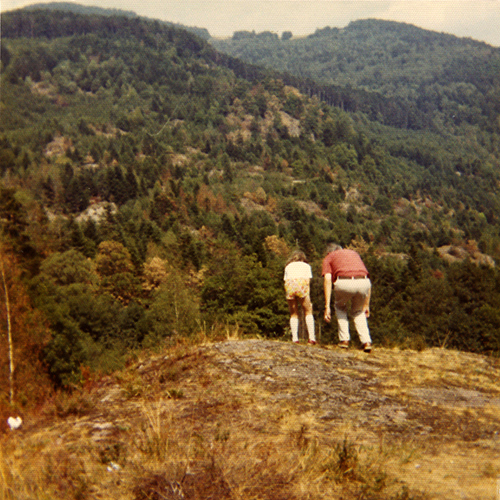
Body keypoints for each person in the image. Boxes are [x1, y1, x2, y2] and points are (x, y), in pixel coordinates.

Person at [322, 243, 372, 352]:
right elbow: (367, 277)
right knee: (359, 311)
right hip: (364, 282)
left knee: (339, 306)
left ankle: (344, 340)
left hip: (344, 282)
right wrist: (366, 304)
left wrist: (327, 307)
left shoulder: (329, 257)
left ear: (329, 252)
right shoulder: (354, 253)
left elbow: (327, 280)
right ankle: (366, 341)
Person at [284, 251, 316, 345]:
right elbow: (307, 281)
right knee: (308, 311)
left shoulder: (288, 266)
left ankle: (295, 338)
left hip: (290, 285)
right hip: (301, 283)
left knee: (293, 313)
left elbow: (285, 280)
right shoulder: (306, 266)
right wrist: (307, 294)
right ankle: (311, 338)